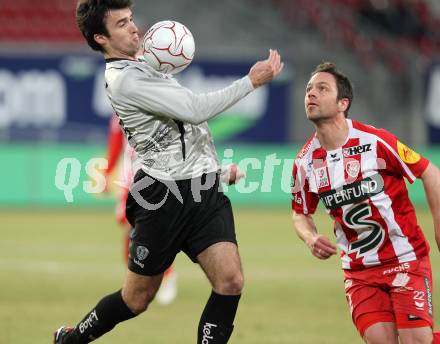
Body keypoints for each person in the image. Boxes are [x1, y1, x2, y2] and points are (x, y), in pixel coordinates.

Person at [54, 1, 283, 343]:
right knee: (136, 299)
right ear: (101, 38)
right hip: (161, 199)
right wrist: (250, 82)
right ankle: (71, 339)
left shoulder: (149, 67)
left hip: (201, 191)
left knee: (230, 281)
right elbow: (193, 111)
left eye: (131, 19)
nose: (134, 28)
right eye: (122, 24)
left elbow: (180, 137)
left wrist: (215, 172)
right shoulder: (125, 81)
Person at [291, 62, 440, 343]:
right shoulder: (304, 162)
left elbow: (431, 173)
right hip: (359, 272)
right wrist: (310, 238)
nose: (311, 94)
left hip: (405, 260)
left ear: (342, 103)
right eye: (309, 88)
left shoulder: (375, 141)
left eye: (322, 88)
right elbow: (300, 213)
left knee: (416, 341)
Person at [104, 113, 177, 305]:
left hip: (156, 176)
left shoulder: (158, 103)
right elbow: (115, 142)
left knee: (147, 230)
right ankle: (140, 280)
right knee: (131, 233)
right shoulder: (119, 109)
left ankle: (166, 277)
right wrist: (107, 171)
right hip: (130, 179)